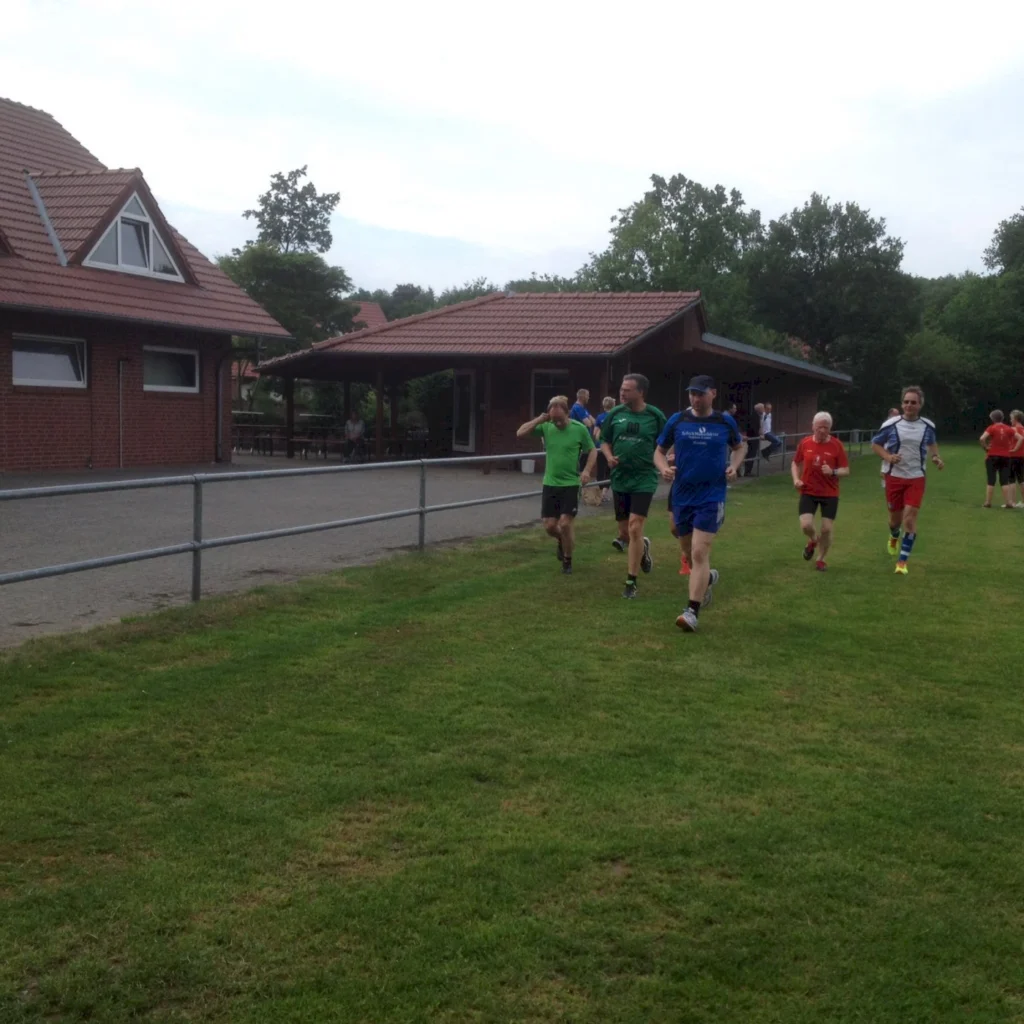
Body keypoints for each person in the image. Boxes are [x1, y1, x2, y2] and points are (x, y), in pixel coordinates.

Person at [655, 375, 746, 632]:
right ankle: (707, 578)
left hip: (711, 495)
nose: (695, 398)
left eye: (700, 393)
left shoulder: (723, 421)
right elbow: (659, 451)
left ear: (713, 394)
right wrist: (663, 468)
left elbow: (740, 447)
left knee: (698, 552)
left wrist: (734, 466)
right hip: (682, 494)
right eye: (692, 393)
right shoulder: (678, 420)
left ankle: (691, 612)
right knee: (687, 551)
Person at [600, 374, 667, 598]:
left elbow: (667, 441)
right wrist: (609, 456)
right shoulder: (616, 414)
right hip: (620, 478)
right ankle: (643, 548)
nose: (622, 393)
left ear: (640, 392)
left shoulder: (655, 415)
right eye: (621, 388)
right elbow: (604, 441)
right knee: (624, 532)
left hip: (644, 478)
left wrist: (668, 461)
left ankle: (631, 582)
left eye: (627, 390)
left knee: (635, 527)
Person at [517, 396, 596, 575]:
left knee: (566, 523)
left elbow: (592, 450)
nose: (557, 423)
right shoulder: (547, 426)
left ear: (568, 414)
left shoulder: (579, 429)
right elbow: (520, 433)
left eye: (560, 419)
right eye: (554, 420)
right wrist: (541, 419)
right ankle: (563, 540)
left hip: (570, 484)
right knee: (550, 526)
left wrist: (586, 471)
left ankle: (567, 560)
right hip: (550, 483)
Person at [871, 386, 944, 576]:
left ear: (920, 405)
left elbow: (932, 443)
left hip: (916, 477)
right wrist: (888, 457)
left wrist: (936, 457)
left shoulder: (928, 426)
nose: (909, 405)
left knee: (909, 518)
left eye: (913, 402)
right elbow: (876, 444)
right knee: (895, 520)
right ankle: (894, 535)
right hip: (894, 476)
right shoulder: (891, 424)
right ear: (902, 403)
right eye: (906, 402)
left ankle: (902, 562)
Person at [791, 412, 849, 571]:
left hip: (830, 493)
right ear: (813, 426)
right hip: (808, 490)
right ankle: (812, 540)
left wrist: (833, 472)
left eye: (826, 427)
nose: (822, 430)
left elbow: (846, 470)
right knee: (806, 525)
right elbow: (795, 463)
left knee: (826, 529)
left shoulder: (837, 445)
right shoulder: (805, 443)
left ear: (830, 428)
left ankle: (821, 559)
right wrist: (796, 479)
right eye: (819, 427)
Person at [979, 410, 1022, 509]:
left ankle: (988, 502)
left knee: (991, 479)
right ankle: (1008, 503)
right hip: (1006, 457)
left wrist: (985, 447)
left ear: (993, 419)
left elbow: (982, 438)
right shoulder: (1009, 429)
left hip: (992, 456)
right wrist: (1015, 449)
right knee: (1004, 480)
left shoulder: (992, 428)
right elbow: (1020, 438)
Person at [592, 396, 616, 503]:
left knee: (600, 470)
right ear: (613, 405)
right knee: (610, 470)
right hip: (612, 447)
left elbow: (594, 433)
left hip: (600, 447)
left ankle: (600, 492)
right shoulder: (616, 416)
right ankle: (604, 493)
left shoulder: (600, 417)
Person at [1009, 410, 1024, 508]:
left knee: (1011, 480)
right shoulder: (1023, 429)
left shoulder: (1013, 429)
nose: (1010, 420)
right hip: (1022, 456)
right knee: (1022, 479)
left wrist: (1014, 449)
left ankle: (1012, 502)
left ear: (1015, 418)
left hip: (1013, 456)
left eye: (1011, 418)